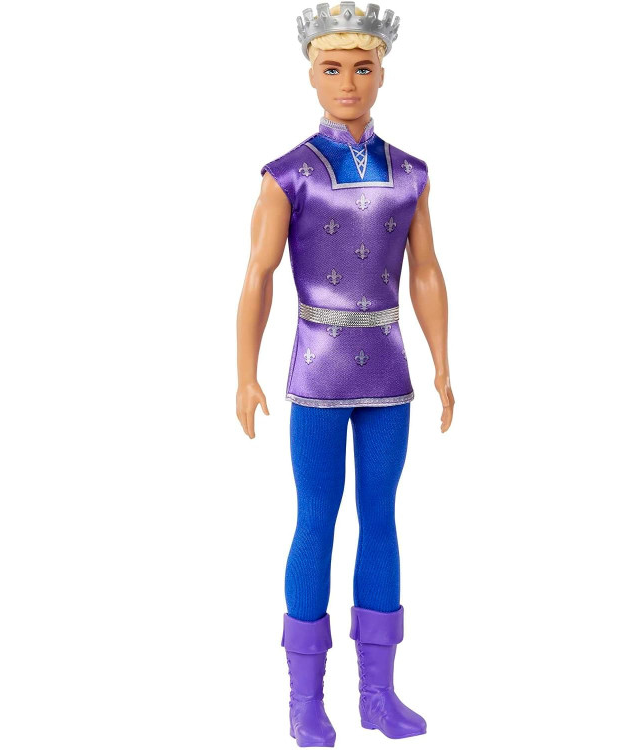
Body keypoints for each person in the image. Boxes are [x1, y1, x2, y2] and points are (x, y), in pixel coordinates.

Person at [236, 3, 454, 745]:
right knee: (316, 520)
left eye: (362, 68)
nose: (349, 84)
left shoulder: (410, 174)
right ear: (311, 75)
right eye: (333, 69)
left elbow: (426, 271)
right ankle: (304, 700)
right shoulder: (289, 174)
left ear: (382, 73)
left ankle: (377, 693)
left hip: (389, 372)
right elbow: (258, 275)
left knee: (381, 518)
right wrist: (245, 372)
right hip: (318, 372)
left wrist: (443, 363)